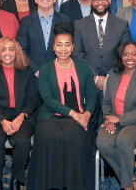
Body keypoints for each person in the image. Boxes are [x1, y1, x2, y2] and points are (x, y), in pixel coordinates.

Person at [28, 23, 99, 189]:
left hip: (81, 117)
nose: (63, 49)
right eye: (59, 44)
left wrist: (87, 114)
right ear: (53, 47)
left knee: (76, 138)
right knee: (46, 136)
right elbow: (47, 98)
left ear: (73, 47)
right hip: (50, 116)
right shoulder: (45, 69)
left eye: (67, 44)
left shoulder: (83, 67)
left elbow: (91, 95)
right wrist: (74, 114)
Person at [96, 41, 136, 190]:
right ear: (121, 57)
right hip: (114, 122)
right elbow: (107, 102)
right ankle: (132, 178)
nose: (130, 57)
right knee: (103, 142)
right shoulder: (113, 76)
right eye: (126, 54)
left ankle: (127, 186)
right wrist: (108, 118)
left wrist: (119, 119)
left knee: (123, 141)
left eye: (134, 54)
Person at [0, 38, 39, 189]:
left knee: (23, 141)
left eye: (11, 49)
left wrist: (21, 117)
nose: (7, 53)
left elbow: (33, 99)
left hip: (22, 116)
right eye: (3, 49)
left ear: (17, 52)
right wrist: (3, 121)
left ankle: (16, 180)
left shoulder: (26, 71)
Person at [73, 0, 132, 90]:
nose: (100, 2)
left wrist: (109, 77)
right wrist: (95, 78)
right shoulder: (80, 25)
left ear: (109, 1)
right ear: (91, 2)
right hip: (88, 81)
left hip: (115, 81)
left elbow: (125, 54)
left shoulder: (122, 25)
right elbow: (77, 55)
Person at [17, 0, 72, 74]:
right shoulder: (26, 22)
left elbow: (68, 48)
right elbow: (21, 50)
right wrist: (37, 71)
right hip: (33, 76)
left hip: (60, 74)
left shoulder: (65, 20)